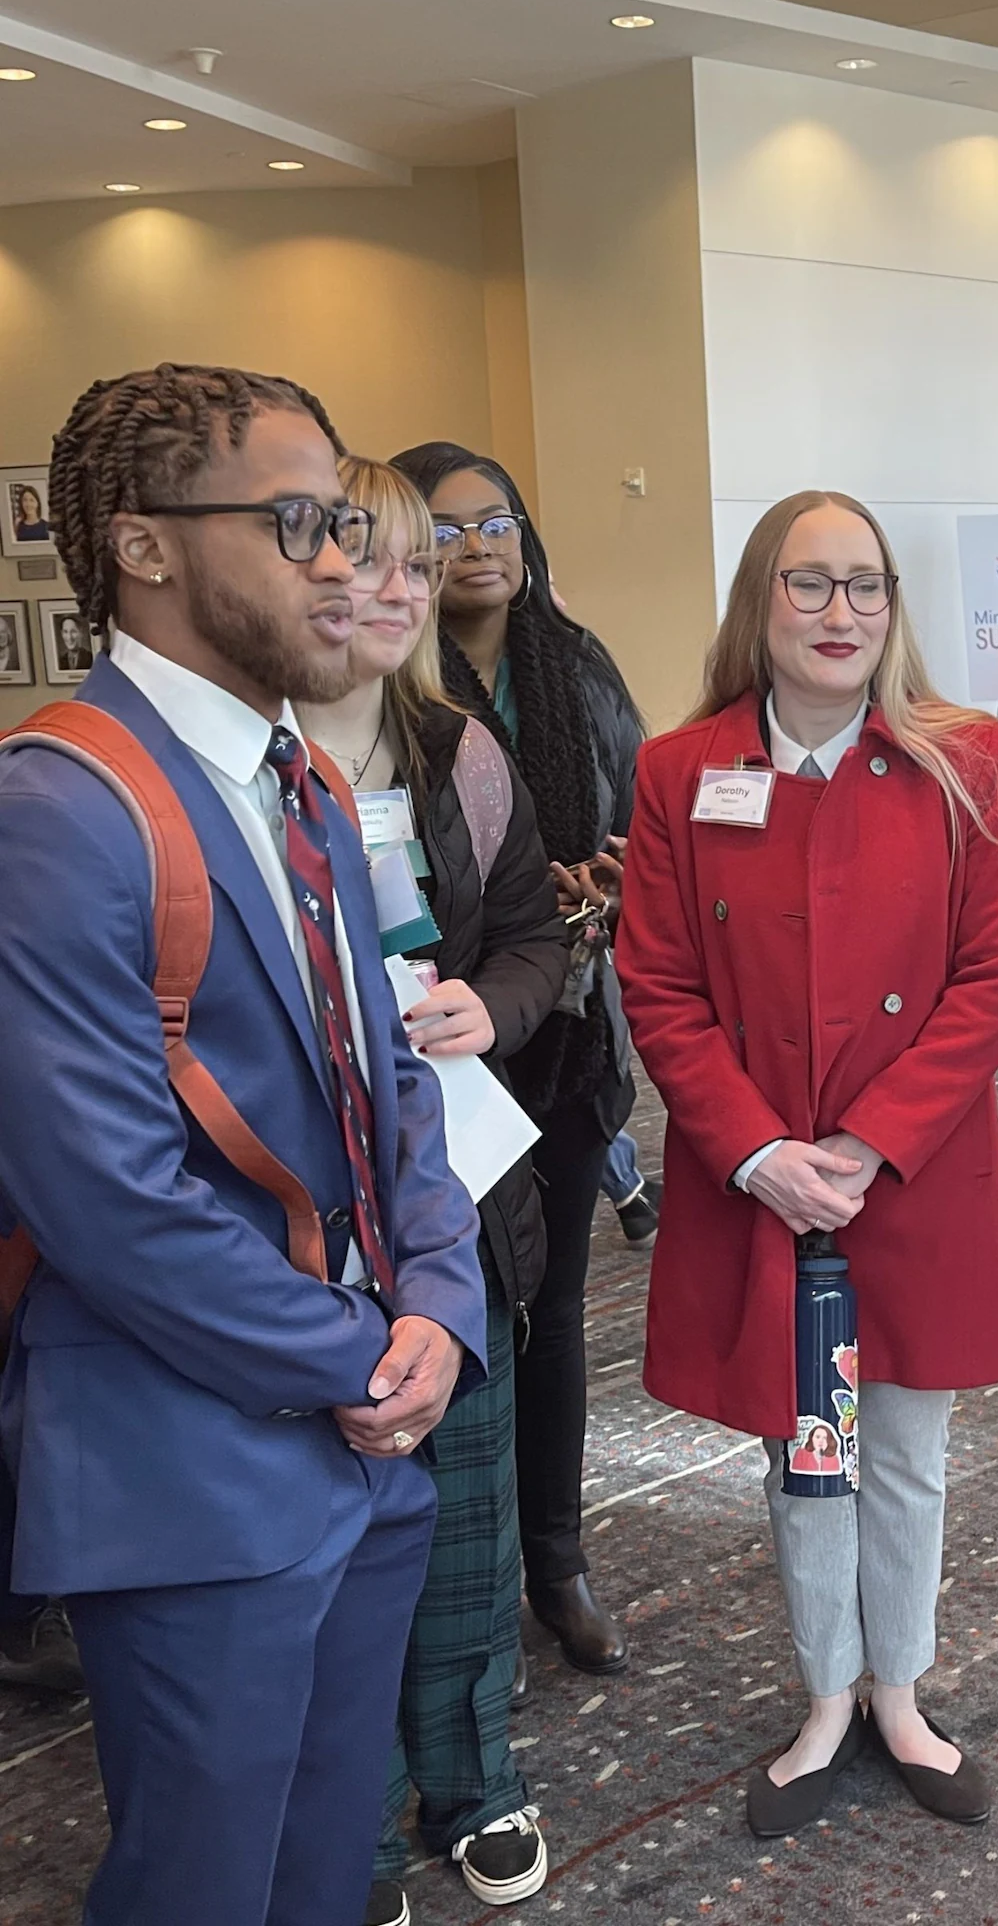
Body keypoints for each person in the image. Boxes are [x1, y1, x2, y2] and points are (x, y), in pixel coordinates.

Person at [0, 363, 487, 1923]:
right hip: (189, 1460)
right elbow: (107, 1201)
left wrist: (440, 1311)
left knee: (323, 1868)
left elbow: (397, 1082)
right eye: (297, 523)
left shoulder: (307, 787)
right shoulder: (59, 807)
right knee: (200, 1888)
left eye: (341, 519)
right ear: (144, 548)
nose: (342, 561)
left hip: (365, 1441)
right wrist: (360, 1359)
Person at [617, 491, 998, 1838]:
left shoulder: (964, 760)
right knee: (808, 1452)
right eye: (811, 585)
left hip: (906, 1179)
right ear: (762, 602)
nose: (841, 613)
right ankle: (822, 1698)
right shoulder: (684, 770)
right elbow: (661, 985)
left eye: (866, 587)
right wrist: (756, 1154)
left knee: (904, 1447)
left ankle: (901, 1694)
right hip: (764, 1188)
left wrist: (864, 1147)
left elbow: (997, 976)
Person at [298, 457, 568, 1920]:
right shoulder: (233, 763)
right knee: (320, 1511)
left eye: (416, 563)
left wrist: (491, 1005)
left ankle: (473, 1778)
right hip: (290, 1206)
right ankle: (334, 1800)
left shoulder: (458, 752)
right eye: (366, 558)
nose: (399, 590)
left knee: (465, 1496)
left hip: (455, 1185)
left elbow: (534, 939)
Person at [390, 442, 642, 1677]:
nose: (477, 545)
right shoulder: (379, 670)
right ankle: (447, 1576)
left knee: (551, 1315)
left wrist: (606, 885)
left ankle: (556, 1556)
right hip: (434, 1049)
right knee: (447, 1307)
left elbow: (644, 822)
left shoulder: (575, 664)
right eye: (444, 528)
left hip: (567, 1031)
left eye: (497, 521)